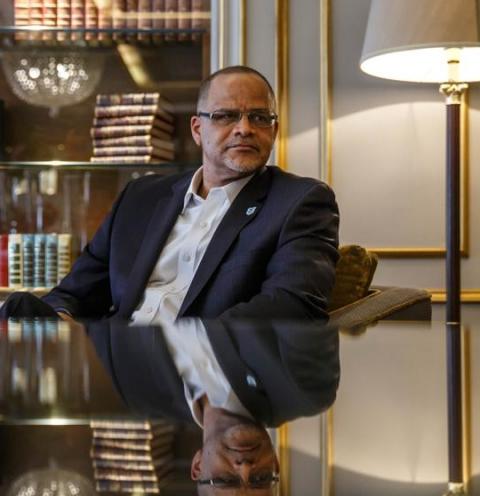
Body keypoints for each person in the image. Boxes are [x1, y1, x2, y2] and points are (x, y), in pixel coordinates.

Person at [0, 65, 339, 322]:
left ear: (274, 130)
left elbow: (291, 305)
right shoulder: (140, 197)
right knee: (18, 309)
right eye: (225, 116)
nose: (244, 129)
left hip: (209, 375)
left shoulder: (300, 202)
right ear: (197, 129)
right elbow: (75, 293)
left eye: (260, 117)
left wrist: (185, 348)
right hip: (114, 368)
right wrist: (61, 323)